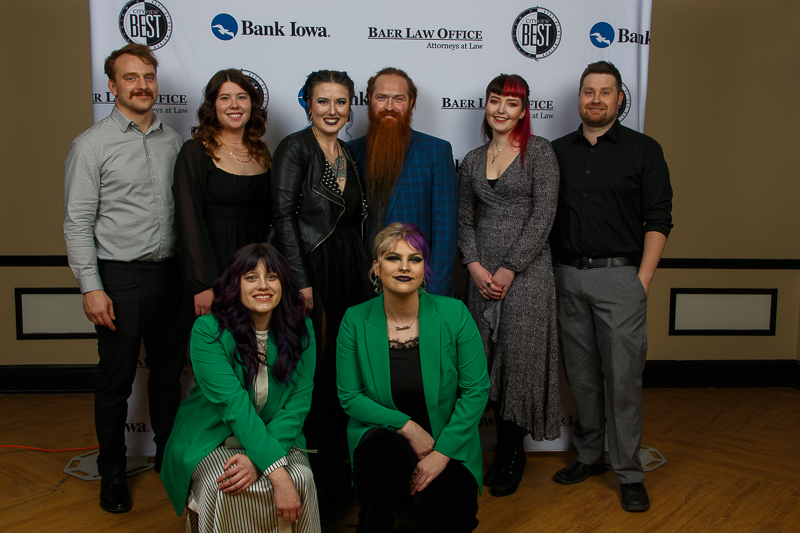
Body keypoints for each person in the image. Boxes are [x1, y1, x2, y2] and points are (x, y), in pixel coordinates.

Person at [63, 43, 185, 513]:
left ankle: (168, 459)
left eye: (148, 76)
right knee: (116, 382)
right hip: (119, 278)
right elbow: (77, 223)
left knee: (168, 376)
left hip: (171, 276)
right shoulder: (90, 145)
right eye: (130, 77)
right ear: (112, 86)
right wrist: (91, 288)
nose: (142, 85)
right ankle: (112, 471)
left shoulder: (174, 142)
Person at [549, 61, 673, 512]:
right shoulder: (555, 152)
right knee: (581, 378)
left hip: (621, 277)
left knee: (622, 381)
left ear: (620, 99)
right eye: (589, 91)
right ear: (579, 98)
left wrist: (642, 280)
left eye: (605, 92)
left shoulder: (644, 150)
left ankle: (629, 472)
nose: (596, 99)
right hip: (566, 277)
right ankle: (589, 456)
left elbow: (659, 218)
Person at [337, 222, 489, 533]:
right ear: (376, 267)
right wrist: (408, 427)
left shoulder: (454, 313)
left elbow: (476, 390)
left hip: (447, 441)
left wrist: (441, 454)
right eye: (393, 258)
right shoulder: (355, 319)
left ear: (424, 269)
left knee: (446, 518)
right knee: (377, 448)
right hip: (385, 444)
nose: (404, 267)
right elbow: (350, 397)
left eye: (414, 259)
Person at [160, 243, 319, 532]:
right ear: (236, 284)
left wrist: (260, 462)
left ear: (283, 283)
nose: (263, 285)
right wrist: (277, 474)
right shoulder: (208, 330)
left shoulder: (302, 330)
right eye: (251, 277)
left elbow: (297, 405)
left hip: (276, 432)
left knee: (301, 478)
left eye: (272, 276)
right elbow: (234, 406)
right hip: (214, 434)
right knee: (224, 485)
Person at [457, 74, 561, 497]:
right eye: (495, 100)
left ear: (523, 110)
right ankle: (478, 449)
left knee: (518, 362)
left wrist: (510, 267)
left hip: (528, 275)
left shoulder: (539, 152)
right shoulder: (471, 159)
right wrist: (474, 266)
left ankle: (512, 453)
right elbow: (464, 220)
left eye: (512, 103)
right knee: (482, 361)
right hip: (481, 275)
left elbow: (544, 216)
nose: (501, 110)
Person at [271, 70, 372, 497]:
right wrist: (300, 280)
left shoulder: (348, 152)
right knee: (319, 363)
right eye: (323, 101)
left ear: (351, 107)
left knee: (347, 362)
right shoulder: (295, 147)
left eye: (341, 102)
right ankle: (319, 467)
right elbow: (283, 217)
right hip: (312, 264)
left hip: (349, 264)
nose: (333, 110)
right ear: (308, 105)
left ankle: (345, 461)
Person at [173, 69, 272, 323]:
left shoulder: (262, 152)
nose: (234, 105)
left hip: (257, 272)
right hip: (215, 270)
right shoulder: (195, 151)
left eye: (241, 97)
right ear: (213, 105)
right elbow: (189, 221)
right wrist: (203, 284)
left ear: (252, 104)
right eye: (225, 98)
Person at [349, 67, 458, 297]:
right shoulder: (351, 151)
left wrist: (435, 292)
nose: (389, 106)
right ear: (369, 100)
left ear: (411, 102)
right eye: (381, 98)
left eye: (398, 99)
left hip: (415, 285)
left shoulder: (436, 151)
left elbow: (446, 231)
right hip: (360, 284)